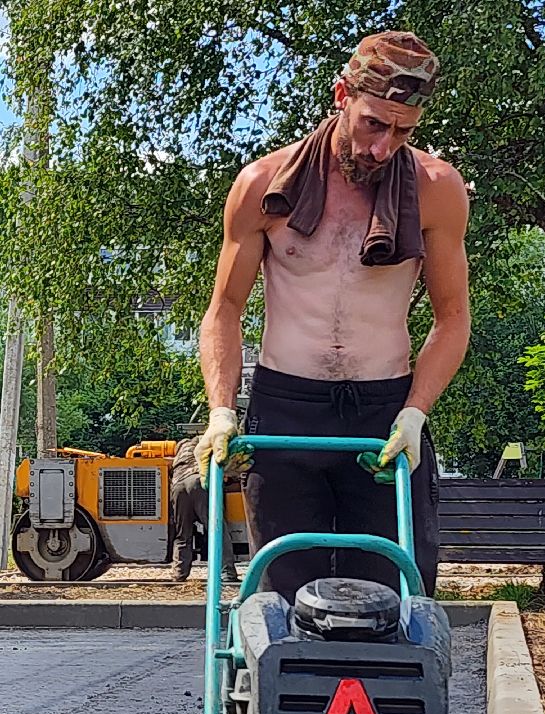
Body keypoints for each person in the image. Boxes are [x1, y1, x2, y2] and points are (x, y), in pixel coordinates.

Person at [196, 30, 470, 601]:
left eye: (403, 130)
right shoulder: (263, 186)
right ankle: (282, 691)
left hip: (385, 415)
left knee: (397, 597)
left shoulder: (437, 190)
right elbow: (224, 308)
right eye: (375, 123)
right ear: (342, 95)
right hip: (286, 414)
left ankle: (387, 692)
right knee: (281, 601)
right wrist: (222, 411)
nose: (384, 146)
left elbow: (451, 319)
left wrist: (416, 413)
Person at [166, 437, 239, 583]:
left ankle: (179, 574)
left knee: (183, 533)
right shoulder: (204, 442)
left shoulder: (180, 454)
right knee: (217, 530)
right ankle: (227, 573)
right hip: (199, 481)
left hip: (178, 485)